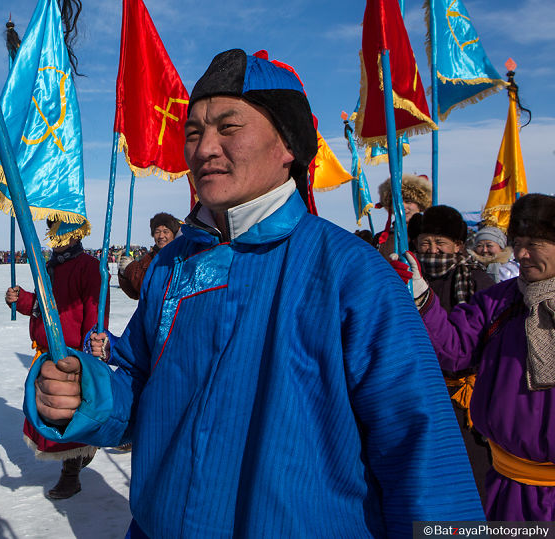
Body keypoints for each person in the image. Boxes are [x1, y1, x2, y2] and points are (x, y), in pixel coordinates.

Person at [27, 48, 483, 537]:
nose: (204, 149)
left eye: (229, 128)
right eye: (194, 132)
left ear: (288, 145)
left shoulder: (351, 273)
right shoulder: (170, 264)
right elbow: (138, 383)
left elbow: (423, 453)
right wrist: (88, 393)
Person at [410, 193, 555, 520]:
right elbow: (455, 350)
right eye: (517, 242)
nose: (520, 254)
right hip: (509, 486)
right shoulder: (500, 302)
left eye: (535, 244)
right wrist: (422, 299)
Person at [5, 219, 108, 500]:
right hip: (45, 353)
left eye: (62, 229)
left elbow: (95, 312)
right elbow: (43, 306)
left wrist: (91, 352)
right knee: (50, 411)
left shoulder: (89, 267)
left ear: (76, 232)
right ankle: (80, 455)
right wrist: (21, 299)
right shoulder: (50, 266)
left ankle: (70, 474)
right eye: (53, 229)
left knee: (68, 415)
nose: (57, 235)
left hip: (73, 354)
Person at [118, 213, 180, 300]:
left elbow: (154, 289)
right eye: (157, 232)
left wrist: (130, 269)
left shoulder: (178, 258)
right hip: (148, 311)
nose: (161, 236)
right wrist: (123, 274)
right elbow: (134, 293)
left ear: (173, 234)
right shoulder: (148, 258)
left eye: (166, 232)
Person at [375, 173, 432, 255]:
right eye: (398, 202)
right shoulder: (381, 238)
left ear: (421, 204)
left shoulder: (430, 234)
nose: (403, 207)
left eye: (408, 201)